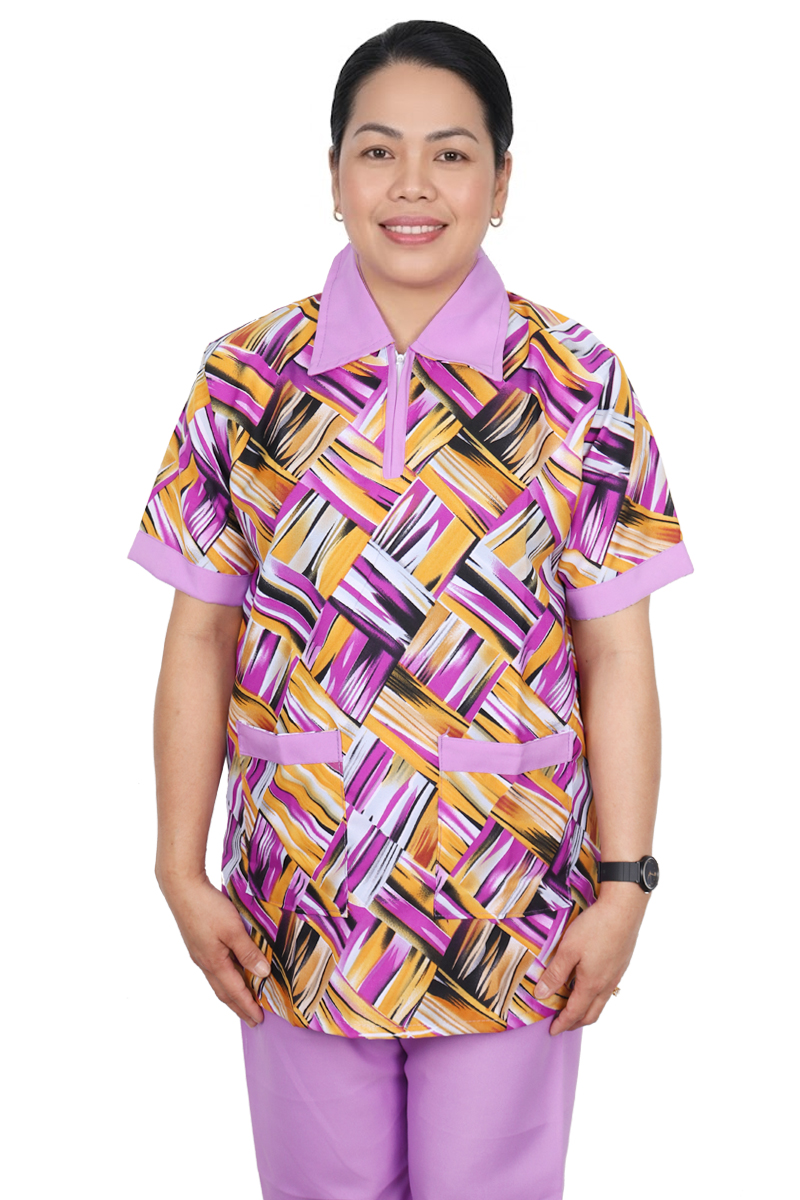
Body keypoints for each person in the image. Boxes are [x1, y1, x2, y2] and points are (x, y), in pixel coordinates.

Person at [128, 19, 693, 1200]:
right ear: (332, 175)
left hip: (507, 898)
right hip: (298, 896)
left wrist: (623, 884)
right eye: (378, 151)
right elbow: (200, 634)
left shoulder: (575, 382)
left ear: (502, 183)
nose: (412, 186)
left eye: (451, 154)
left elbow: (615, 654)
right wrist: (181, 871)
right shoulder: (245, 378)